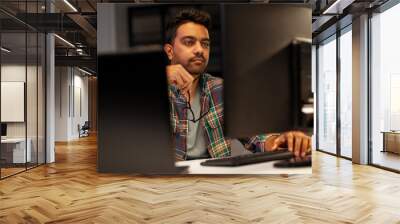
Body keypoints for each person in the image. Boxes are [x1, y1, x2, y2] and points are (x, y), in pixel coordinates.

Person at [164, 8, 311, 161]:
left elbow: (257, 138)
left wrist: (284, 140)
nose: (199, 50)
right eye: (189, 42)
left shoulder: (221, 90)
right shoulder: (147, 95)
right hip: (164, 180)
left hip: (213, 178)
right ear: (169, 51)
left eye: (205, 44)